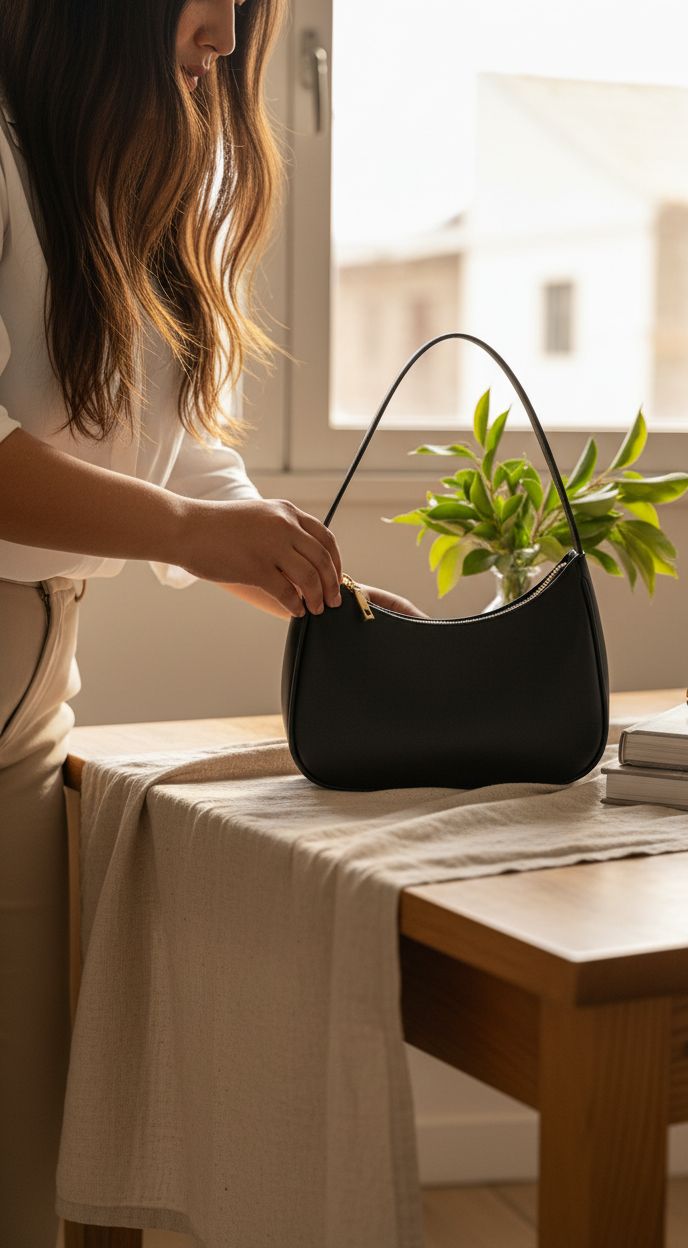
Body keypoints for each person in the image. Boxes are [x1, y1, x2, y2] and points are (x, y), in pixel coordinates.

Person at [0, 2, 424, 1243]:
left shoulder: (124, 195)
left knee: (27, 1133)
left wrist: (304, 577)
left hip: (32, 695)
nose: (227, 45)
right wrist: (190, 537)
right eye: (203, 11)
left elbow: (177, 468)